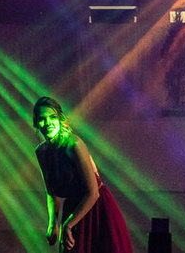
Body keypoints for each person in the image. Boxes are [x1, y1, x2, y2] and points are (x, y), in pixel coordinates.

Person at [32, 96, 132, 253]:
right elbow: (51, 193)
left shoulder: (74, 145)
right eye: (42, 119)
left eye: (52, 117)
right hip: (73, 210)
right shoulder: (42, 152)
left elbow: (93, 193)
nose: (48, 122)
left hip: (96, 209)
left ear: (60, 119)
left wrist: (68, 225)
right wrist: (53, 223)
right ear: (36, 124)